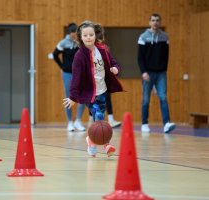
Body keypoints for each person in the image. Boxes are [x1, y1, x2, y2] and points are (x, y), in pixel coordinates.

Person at [63, 20, 124, 157]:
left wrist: (115, 69)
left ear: (95, 35)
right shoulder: (79, 56)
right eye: (85, 35)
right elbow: (76, 78)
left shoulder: (102, 50)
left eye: (91, 34)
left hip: (102, 91)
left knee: (99, 122)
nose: (89, 37)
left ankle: (91, 141)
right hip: (89, 94)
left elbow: (113, 62)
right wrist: (73, 97)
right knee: (99, 117)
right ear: (81, 37)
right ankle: (107, 144)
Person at [137, 13, 175, 133]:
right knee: (146, 99)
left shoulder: (165, 37)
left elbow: (166, 56)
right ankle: (144, 123)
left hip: (161, 74)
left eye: (157, 20)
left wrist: (164, 70)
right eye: (153, 20)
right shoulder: (143, 37)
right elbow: (140, 57)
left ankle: (166, 123)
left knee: (163, 97)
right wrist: (143, 72)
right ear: (149, 22)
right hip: (147, 73)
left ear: (160, 22)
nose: (155, 22)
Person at [53, 23, 86, 132]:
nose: (75, 36)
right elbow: (55, 54)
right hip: (67, 74)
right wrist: (62, 66)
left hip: (79, 74)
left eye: (77, 34)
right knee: (69, 97)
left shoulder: (80, 43)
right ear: (69, 33)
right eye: (74, 34)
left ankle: (78, 121)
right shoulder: (63, 43)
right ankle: (70, 122)